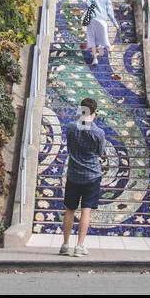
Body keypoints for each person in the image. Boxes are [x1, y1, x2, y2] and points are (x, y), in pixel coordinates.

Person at [60, 97, 107, 256]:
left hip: (73, 174)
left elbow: (69, 147)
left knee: (69, 209)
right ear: (94, 112)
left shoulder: (71, 127)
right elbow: (100, 153)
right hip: (92, 175)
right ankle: (79, 246)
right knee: (86, 210)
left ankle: (65, 245)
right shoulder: (99, 133)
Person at [80, 0, 119, 66]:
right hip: (102, 21)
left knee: (92, 39)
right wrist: (115, 24)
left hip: (92, 20)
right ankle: (112, 59)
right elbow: (110, 13)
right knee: (106, 41)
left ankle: (95, 59)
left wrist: (94, 7)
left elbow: (88, 4)